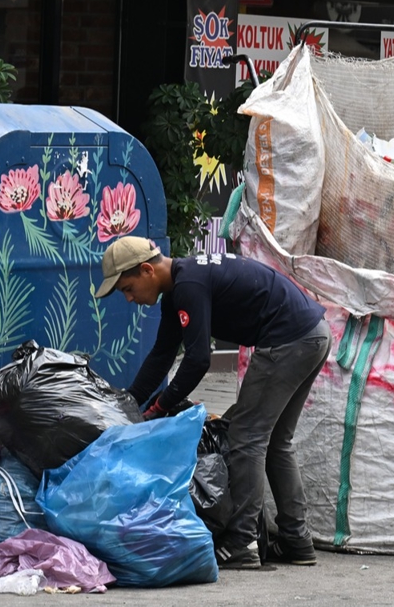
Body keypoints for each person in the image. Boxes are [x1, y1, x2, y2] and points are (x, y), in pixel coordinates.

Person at [94, 236, 331, 570]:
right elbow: (162, 355)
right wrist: (128, 403)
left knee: (246, 437)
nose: (130, 299)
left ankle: (242, 542)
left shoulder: (189, 284)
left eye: (127, 288)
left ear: (147, 270)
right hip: (312, 333)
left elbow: (198, 360)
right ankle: (297, 541)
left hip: (288, 340)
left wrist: (160, 406)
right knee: (276, 441)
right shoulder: (179, 289)